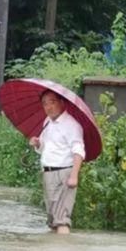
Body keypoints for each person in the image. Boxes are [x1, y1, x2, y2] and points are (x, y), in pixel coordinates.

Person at [29, 91, 85, 235]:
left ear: (61, 103)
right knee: (53, 220)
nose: (48, 107)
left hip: (64, 173)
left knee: (62, 220)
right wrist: (37, 144)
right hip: (48, 173)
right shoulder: (47, 122)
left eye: (52, 102)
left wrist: (74, 176)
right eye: (45, 104)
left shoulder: (71, 125)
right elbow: (45, 149)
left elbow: (78, 150)